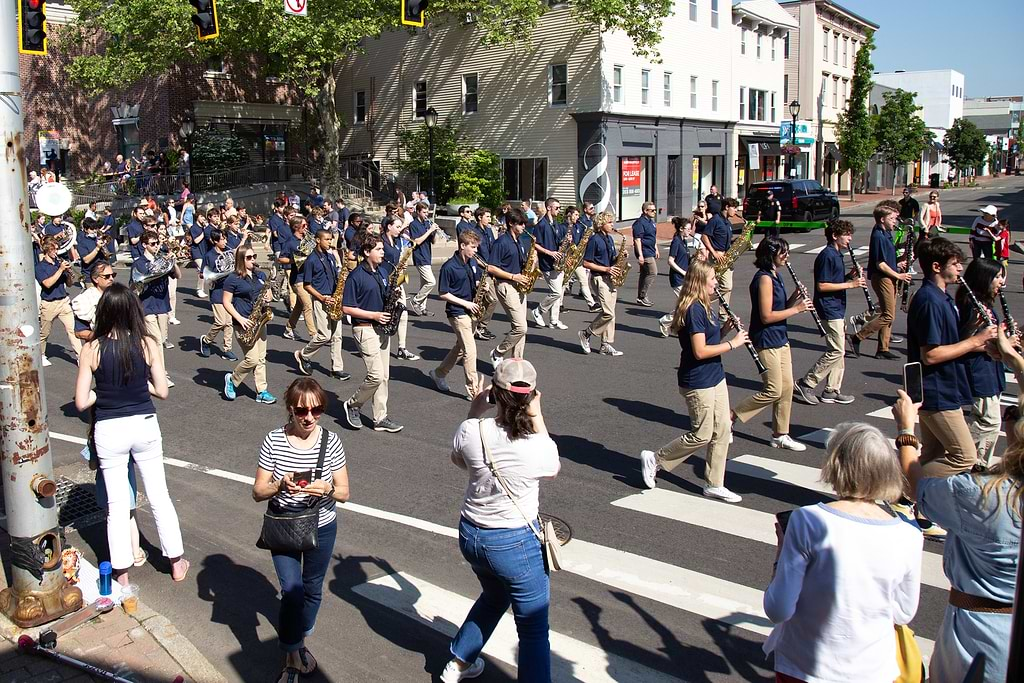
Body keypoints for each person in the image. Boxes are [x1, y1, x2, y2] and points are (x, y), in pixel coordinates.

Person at [894, 333, 1021, 683]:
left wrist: (906, 430)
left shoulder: (982, 494)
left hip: (978, 629)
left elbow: (917, 484)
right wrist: (1016, 363)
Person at [762, 421, 922, 683]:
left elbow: (778, 609)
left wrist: (780, 555)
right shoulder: (910, 534)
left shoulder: (808, 520)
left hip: (806, 666)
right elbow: (904, 613)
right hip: (875, 669)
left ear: (835, 465)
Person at [441, 359, 559, 683]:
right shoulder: (535, 444)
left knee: (495, 596)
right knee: (534, 629)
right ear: (531, 396)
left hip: (472, 534)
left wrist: (474, 410)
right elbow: (553, 468)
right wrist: (537, 414)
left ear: (495, 392)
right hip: (514, 543)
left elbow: (459, 458)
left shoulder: (472, 430)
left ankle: (459, 662)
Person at [73, 283, 189, 587]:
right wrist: (140, 386)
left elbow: (82, 401)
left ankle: (121, 573)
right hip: (144, 422)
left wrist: (103, 391)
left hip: (110, 428)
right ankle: (176, 561)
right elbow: (162, 391)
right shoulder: (147, 343)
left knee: (116, 505)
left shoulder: (92, 348)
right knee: (159, 495)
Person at [253, 378, 349, 683]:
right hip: (284, 524)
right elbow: (257, 492)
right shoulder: (274, 440)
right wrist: (279, 484)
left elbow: (345, 492)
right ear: (290, 409)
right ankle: (292, 653)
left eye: (317, 410)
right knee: (292, 592)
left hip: (321, 526)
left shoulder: (330, 441)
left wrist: (328, 489)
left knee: (312, 590)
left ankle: (298, 639)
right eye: (301, 411)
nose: (309, 417)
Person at [641, 260, 746, 501]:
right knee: (702, 434)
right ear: (700, 282)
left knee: (722, 429)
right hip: (697, 380)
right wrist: (733, 344)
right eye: (712, 279)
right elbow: (699, 351)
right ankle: (656, 459)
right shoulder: (694, 309)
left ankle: (714, 483)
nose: (716, 282)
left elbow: (709, 342)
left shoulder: (706, 305)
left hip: (715, 375)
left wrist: (725, 332)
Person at [731, 236, 812, 451]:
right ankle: (731, 416)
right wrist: (798, 309)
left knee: (786, 388)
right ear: (771, 255)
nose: (786, 256)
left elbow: (780, 308)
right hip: (766, 339)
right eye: (782, 252)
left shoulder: (776, 275)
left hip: (780, 337)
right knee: (774, 389)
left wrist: (795, 298)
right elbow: (766, 316)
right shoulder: (764, 278)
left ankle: (780, 434)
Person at [793, 220, 860, 405]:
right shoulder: (827, 256)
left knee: (839, 351)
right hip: (828, 307)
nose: (850, 238)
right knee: (836, 350)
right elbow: (822, 285)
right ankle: (807, 382)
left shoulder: (838, 255)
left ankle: (832, 389)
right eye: (846, 234)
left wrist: (850, 276)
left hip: (838, 306)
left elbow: (835, 281)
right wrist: (851, 284)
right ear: (834, 236)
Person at [341, 235, 403, 433]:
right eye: (378, 249)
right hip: (365, 328)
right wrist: (374, 314)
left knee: (384, 376)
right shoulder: (356, 276)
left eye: (382, 249)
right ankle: (353, 404)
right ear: (367, 252)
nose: (383, 252)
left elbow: (384, 295)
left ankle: (380, 418)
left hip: (381, 328)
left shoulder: (383, 271)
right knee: (376, 375)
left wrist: (395, 297)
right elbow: (347, 308)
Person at [954, 258, 1006, 467]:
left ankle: (977, 462)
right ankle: (962, 454)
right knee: (989, 422)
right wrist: (1000, 344)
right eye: (997, 276)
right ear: (984, 278)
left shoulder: (983, 303)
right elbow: (963, 342)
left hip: (990, 369)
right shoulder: (971, 305)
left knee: (987, 421)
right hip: (979, 370)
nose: (1001, 281)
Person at [849, 202, 910, 360]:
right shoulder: (878, 235)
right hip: (883, 278)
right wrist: (898, 276)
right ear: (882, 219)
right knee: (888, 315)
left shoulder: (887, 232)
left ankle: (883, 348)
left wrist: (897, 264)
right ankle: (857, 337)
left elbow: (886, 259)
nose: (894, 221)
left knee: (888, 313)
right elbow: (880, 264)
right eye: (891, 218)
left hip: (890, 275)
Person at [430, 230, 485, 401]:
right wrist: (465, 303)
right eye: (473, 247)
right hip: (457, 312)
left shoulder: (472, 262)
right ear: (462, 246)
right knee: (470, 351)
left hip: (472, 310)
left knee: (460, 348)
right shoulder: (449, 266)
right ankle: (474, 390)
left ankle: (439, 373)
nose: (476, 251)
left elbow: (474, 282)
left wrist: (481, 286)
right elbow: (443, 293)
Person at [222, 247, 276, 404]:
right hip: (243, 322)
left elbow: (269, 294)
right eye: (249, 257)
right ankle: (232, 379)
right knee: (252, 359)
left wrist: (268, 296)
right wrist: (240, 319)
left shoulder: (260, 274)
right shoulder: (233, 279)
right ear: (241, 260)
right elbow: (226, 302)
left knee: (261, 358)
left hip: (259, 319)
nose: (253, 259)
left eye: (254, 256)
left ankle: (262, 391)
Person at [294, 229, 349, 380]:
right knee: (324, 335)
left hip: (334, 299)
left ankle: (337, 368)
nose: (330, 242)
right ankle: (303, 354)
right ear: (318, 240)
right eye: (327, 239)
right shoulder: (311, 260)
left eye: (331, 239)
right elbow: (307, 285)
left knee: (337, 336)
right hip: (321, 299)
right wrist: (322, 298)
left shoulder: (330, 257)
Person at [487, 208, 532, 364]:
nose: (523, 227)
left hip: (519, 285)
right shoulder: (501, 242)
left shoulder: (519, 241)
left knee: (522, 328)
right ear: (511, 223)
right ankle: (498, 352)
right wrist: (513, 276)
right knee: (520, 327)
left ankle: (517, 362)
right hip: (506, 285)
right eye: (520, 224)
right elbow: (491, 267)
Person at [134, 231, 180, 385]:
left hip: (162, 304)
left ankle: (146, 370)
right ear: (144, 245)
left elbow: (177, 275)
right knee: (157, 341)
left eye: (157, 243)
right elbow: (134, 284)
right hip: (147, 306)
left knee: (157, 341)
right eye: (153, 244)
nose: (156, 247)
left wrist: (173, 262)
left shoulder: (162, 259)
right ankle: (162, 375)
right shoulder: (139, 262)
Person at [578, 211, 624, 357]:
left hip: (610, 278)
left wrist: (620, 257)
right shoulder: (594, 240)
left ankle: (606, 344)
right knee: (607, 313)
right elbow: (586, 263)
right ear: (601, 224)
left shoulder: (609, 239)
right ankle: (586, 333)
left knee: (612, 314)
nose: (612, 225)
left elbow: (611, 259)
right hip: (599, 278)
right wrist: (606, 269)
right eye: (609, 222)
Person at [35, 236, 84, 367]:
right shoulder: (40, 267)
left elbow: (68, 284)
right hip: (49, 303)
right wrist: (61, 270)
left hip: (63, 301)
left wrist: (68, 274)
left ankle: (80, 357)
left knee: (73, 331)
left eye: (57, 249)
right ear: (47, 250)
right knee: (44, 333)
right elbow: (47, 284)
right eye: (54, 249)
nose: (56, 252)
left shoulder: (58, 263)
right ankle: (41, 354)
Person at [381, 216, 419, 361]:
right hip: (385, 280)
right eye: (397, 227)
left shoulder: (397, 241)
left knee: (402, 312)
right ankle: (380, 345)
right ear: (389, 226)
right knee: (386, 314)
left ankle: (402, 348)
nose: (400, 230)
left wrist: (402, 266)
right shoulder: (381, 241)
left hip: (397, 281)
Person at [198, 229, 238, 361]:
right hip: (217, 291)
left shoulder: (228, 252)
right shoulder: (209, 255)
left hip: (229, 290)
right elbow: (203, 274)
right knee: (220, 321)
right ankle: (206, 340)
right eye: (222, 239)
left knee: (229, 322)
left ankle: (227, 349)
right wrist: (213, 276)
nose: (225, 241)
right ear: (215, 241)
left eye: (225, 238)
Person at [530, 197, 568, 329]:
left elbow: (558, 242)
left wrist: (565, 241)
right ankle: (538, 311)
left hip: (557, 261)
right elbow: (535, 244)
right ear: (548, 208)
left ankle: (554, 320)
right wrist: (549, 252)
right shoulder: (541, 225)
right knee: (556, 292)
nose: (559, 210)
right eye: (556, 208)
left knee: (559, 293)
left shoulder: (555, 224)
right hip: (547, 262)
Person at [700, 197, 738, 318]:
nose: (736, 210)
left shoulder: (728, 223)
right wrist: (714, 252)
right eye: (734, 207)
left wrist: (737, 242)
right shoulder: (715, 220)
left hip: (726, 256)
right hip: (717, 257)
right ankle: (699, 303)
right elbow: (704, 237)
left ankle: (723, 314)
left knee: (727, 287)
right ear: (727, 207)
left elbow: (726, 240)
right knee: (725, 286)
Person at [280, 216, 316, 341]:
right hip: (297, 278)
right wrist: (295, 260)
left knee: (299, 306)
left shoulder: (307, 238)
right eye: (304, 225)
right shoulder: (290, 242)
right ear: (296, 227)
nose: (307, 227)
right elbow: (281, 258)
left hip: (308, 276)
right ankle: (314, 335)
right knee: (308, 305)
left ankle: (289, 329)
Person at [658, 217, 692, 338]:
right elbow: (670, 261)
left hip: (685, 277)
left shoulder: (684, 240)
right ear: (681, 229)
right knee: (686, 305)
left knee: (685, 304)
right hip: (677, 278)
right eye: (688, 229)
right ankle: (666, 321)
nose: (690, 231)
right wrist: (683, 272)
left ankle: (673, 324)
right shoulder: (676, 241)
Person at [408, 202, 442, 316]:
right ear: (418, 212)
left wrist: (435, 232)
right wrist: (429, 230)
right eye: (424, 212)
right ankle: (416, 301)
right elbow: (417, 241)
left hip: (427, 255)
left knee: (424, 284)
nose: (426, 214)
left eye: (427, 212)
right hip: (420, 256)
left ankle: (422, 308)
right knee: (431, 282)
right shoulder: (413, 224)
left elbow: (432, 241)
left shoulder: (427, 223)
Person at [471, 207, 499, 340]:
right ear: (479, 217)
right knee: (490, 299)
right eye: (487, 216)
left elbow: (493, 248)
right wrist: (486, 266)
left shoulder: (489, 230)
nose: (489, 219)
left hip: (491, 269)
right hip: (482, 271)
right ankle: (479, 326)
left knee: (487, 300)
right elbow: (474, 254)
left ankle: (480, 326)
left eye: (489, 216)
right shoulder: (474, 232)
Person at [632, 201, 659, 307]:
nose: (654, 212)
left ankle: (640, 297)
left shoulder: (651, 222)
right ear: (645, 211)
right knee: (653, 272)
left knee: (644, 274)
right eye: (652, 210)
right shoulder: (639, 223)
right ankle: (643, 295)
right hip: (644, 252)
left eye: (655, 210)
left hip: (651, 250)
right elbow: (637, 240)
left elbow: (653, 236)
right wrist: (640, 255)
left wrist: (656, 248)